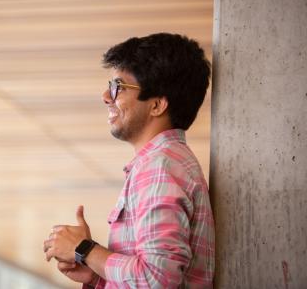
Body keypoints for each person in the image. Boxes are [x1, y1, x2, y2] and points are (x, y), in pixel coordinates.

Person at [43, 32, 215, 288]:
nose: (105, 95)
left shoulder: (160, 167)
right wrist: (96, 274)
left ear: (157, 105)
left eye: (118, 87)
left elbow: (157, 279)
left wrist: (85, 250)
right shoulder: (165, 163)